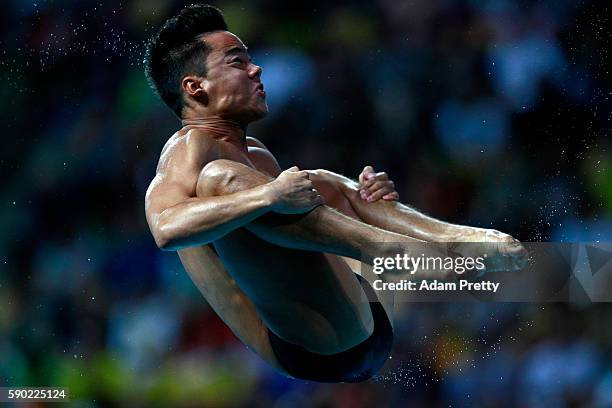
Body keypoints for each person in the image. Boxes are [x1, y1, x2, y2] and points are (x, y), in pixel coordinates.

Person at [143, 4, 526, 382]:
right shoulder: (187, 150)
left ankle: (450, 236)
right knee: (222, 180)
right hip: (315, 348)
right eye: (237, 62)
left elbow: (303, 230)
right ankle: (395, 251)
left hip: (363, 313)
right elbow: (165, 229)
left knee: (321, 182)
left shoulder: (255, 152)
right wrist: (268, 197)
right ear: (195, 87)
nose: (256, 69)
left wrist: (370, 202)